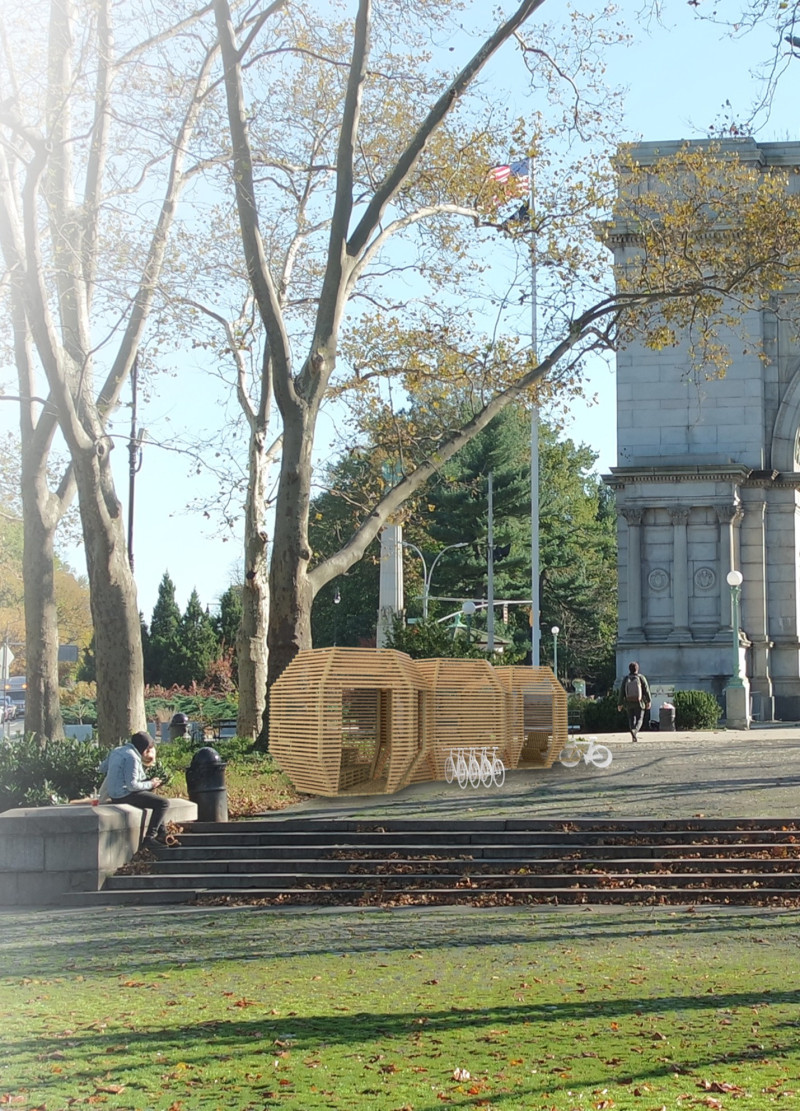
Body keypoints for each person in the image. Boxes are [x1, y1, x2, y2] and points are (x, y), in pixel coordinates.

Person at [98, 731, 170, 848]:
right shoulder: (132, 757)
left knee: (154, 800)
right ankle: (149, 838)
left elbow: (102, 768)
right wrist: (151, 784)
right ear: (144, 748)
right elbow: (132, 785)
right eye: (148, 749)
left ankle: (162, 833)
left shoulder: (117, 751)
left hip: (114, 794)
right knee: (163, 803)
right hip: (123, 795)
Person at [617, 661, 651, 742]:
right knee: (639, 719)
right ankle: (635, 731)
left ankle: (633, 732)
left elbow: (622, 691)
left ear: (629, 669)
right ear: (637, 669)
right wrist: (649, 701)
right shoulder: (641, 677)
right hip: (639, 702)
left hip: (628, 702)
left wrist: (620, 703)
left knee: (631, 719)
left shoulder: (626, 678)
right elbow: (646, 690)